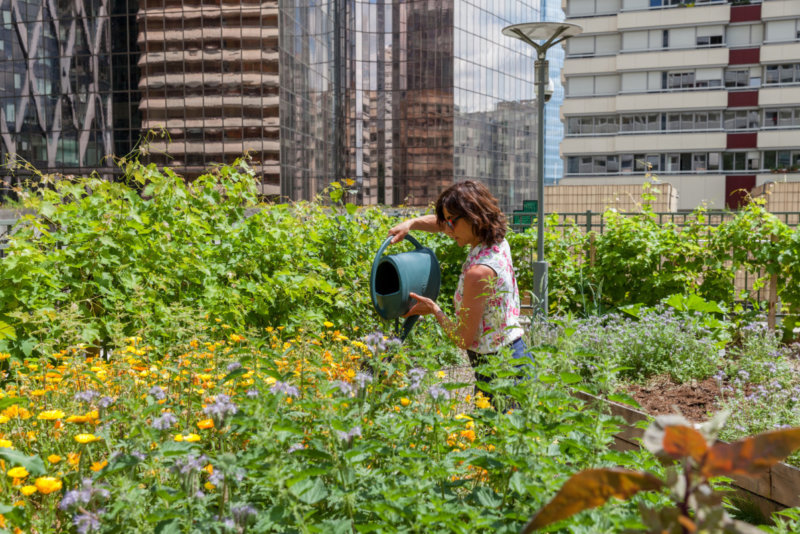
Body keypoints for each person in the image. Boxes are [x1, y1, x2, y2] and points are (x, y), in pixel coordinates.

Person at [388, 180, 533, 394]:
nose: (448, 228)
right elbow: (441, 224)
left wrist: (434, 310)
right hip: (511, 356)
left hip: (501, 370)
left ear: (473, 216)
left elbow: (463, 338)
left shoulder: (479, 273)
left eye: (451, 221)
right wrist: (411, 223)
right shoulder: (495, 241)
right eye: (446, 221)